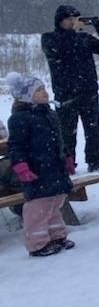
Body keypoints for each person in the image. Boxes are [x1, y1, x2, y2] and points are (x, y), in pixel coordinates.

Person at [4, 73, 75, 257]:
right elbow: (16, 146)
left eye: (44, 88)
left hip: (54, 167)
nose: (45, 92)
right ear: (26, 96)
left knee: (54, 204)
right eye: (39, 90)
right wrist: (21, 167)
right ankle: (37, 243)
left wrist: (66, 156)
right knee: (38, 208)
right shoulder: (19, 119)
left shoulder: (49, 113)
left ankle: (57, 236)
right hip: (36, 171)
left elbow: (58, 139)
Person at [41, 5, 99, 172]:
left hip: (88, 91)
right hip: (65, 94)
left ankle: (95, 160)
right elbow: (59, 50)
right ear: (60, 21)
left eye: (75, 19)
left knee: (93, 129)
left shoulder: (84, 38)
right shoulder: (49, 38)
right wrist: (72, 33)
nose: (73, 23)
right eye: (69, 19)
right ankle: (67, 163)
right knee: (66, 132)